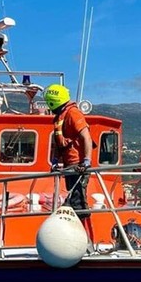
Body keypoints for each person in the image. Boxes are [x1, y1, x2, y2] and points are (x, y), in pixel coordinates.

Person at [44, 84, 95, 243]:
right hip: (69, 166)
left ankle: (85, 241)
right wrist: (55, 161)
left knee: (79, 203)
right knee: (73, 202)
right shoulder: (61, 116)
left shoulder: (72, 113)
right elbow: (60, 143)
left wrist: (86, 161)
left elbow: (86, 136)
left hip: (78, 166)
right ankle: (76, 239)